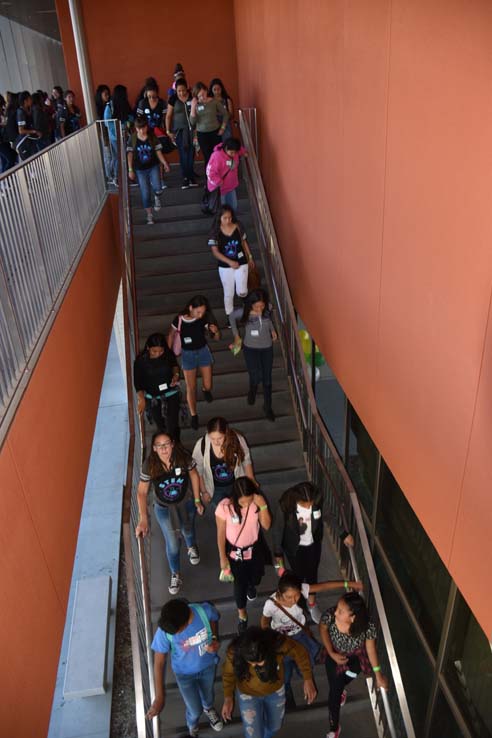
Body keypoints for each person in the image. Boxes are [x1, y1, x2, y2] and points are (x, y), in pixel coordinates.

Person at [261, 570, 362, 708]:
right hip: (281, 640)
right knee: (285, 670)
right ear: (279, 593)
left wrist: (349, 583)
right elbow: (264, 621)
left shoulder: (301, 590)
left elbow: (324, 586)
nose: (294, 601)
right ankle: (287, 689)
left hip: (300, 635)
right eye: (288, 597)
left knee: (304, 662)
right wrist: (268, 638)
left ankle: (303, 678)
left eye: (297, 596)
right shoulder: (271, 604)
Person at [271, 481, 354, 624]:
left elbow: (328, 516)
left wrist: (343, 534)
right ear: (297, 499)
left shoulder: (317, 501)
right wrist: (278, 555)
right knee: (297, 575)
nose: (308, 506)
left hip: (313, 545)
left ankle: (311, 603)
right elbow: (278, 530)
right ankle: (297, 599)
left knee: (312, 574)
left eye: (310, 503)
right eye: (305, 504)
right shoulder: (286, 505)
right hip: (294, 548)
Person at [136, 432, 203, 595]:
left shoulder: (182, 457)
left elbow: (194, 475)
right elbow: (142, 492)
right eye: (160, 445)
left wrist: (196, 500)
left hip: (185, 502)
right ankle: (175, 573)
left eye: (167, 443)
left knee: (188, 529)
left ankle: (191, 546)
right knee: (172, 543)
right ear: (154, 448)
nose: (164, 448)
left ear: (173, 444)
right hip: (164, 508)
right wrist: (143, 518)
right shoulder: (149, 465)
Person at [221, 626, 317, 738]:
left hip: (275, 692)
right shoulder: (234, 652)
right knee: (253, 735)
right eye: (251, 663)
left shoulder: (278, 643)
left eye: (259, 663)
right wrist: (228, 697)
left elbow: (300, 652)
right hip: (247, 695)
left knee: (275, 726)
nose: (254, 666)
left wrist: (308, 678)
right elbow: (228, 673)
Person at [148, 598, 224, 734]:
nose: (174, 634)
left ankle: (208, 708)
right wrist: (159, 697)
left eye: (177, 631)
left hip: (207, 667)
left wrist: (214, 639)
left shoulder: (204, 611)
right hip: (184, 676)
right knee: (194, 709)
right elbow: (159, 663)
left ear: (186, 622)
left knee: (208, 696)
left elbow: (213, 619)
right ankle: (192, 723)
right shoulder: (165, 630)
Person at [320, 592, 389, 738]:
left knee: (347, 678)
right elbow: (323, 629)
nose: (335, 612)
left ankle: (341, 691)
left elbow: (370, 649)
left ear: (353, 618)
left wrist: (378, 675)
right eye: (337, 608)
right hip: (333, 655)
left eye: (340, 611)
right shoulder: (330, 616)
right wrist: (331, 653)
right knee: (334, 691)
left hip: (355, 659)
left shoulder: (367, 627)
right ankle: (334, 728)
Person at [215, 477, 271, 632]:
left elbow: (266, 525)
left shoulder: (257, 503)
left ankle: (251, 586)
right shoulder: (224, 507)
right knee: (239, 585)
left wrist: (263, 506)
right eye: (243, 502)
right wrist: (222, 557)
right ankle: (242, 615)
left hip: (254, 551)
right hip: (235, 555)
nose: (246, 504)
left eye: (249, 499)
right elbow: (220, 534)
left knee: (256, 578)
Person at [168, 295, 220, 430]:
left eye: (203, 312)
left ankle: (205, 390)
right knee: (190, 388)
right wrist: (168, 355)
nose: (201, 315)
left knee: (208, 384)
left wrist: (215, 331)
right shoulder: (179, 319)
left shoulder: (203, 319)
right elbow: (171, 334)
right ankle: (194, 415)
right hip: (187, 355)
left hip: (203, 352)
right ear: (191, 308)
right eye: (198, 312)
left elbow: (217, 338)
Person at [229, 289, 277, 422]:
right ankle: (253, 389)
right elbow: (231, 317)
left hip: (267, 348)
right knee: (255, 375)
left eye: (262, 306)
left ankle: (267, 407)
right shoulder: (244, 312)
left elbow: (268, 319)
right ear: (251, 304)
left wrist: (272, 331)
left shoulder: (267, 308)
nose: (260, 309)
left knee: (267, 379)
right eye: (257, 306)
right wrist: (236, 335)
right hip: (250, 349)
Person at [192, 417, 256, 511]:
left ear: (226, 432)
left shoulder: (237, 439)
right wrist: (204, 491)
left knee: (239, 510)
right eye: (212, 438)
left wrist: (251, 482)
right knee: (222, 515)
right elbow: (199, 471)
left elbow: (246, 461)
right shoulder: (202, 444)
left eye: (220, 438)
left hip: (236, 485)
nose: (216, 442)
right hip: (215, 489)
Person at [208, 205, 254, 325]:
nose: (228, 220)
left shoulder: (238, 226)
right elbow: (215, 252)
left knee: (242, 291)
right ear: (220, 218)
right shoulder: (215, 231)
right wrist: (229, 262)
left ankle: (246, 308)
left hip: (241, 262)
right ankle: (230, 317)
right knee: (228, 293)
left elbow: (244, 242)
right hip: (225, 266)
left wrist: (249, 256)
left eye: (230, 217)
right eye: (225, 218)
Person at [133, 332, 181, 440]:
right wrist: (141, 399)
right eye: (154, 351)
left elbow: (175, 366)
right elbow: (138, 383)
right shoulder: (140, 361)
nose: (158, 354)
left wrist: (176, 375)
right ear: (148, 348)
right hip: (153, 397)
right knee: (160, 426)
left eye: (161, 351)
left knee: (172, 425)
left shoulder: (167, 354)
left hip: (170, 393)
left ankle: (175, 444)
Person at [126, 116, 171, 225]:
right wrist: (130, 169)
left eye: (143, 128)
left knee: (158, 188)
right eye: (139, 128)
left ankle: (157, 196)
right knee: (145, 193)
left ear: (147, 127)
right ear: (136, 128)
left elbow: (158, 152)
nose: (142, 130)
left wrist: (165, 163)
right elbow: (130, 154)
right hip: (140, 170)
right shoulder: (133, 138)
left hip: (153, 166)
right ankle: (149, 215)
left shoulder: (152, 137)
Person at [165, 78, 198, 189]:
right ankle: (186, 178)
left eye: (183, 90)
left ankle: (191, 177)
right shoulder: (173, 99)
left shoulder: (192, 97)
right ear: (176, 90)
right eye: (179, 91)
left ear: (187, 88)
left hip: (192, 131)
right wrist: (168, 131)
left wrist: (197, 130)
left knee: (191, 154)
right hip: (179, 131)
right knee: (183, 154)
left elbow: (198, 113)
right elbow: (168, 116)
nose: (182, 93)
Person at [190, 82, 228, 168]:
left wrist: (223, 128)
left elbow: (225, 114)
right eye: (199, 96)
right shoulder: (195, 104)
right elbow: (192, 122)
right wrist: (193, 108)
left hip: (215, 132)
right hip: (202, 134)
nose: (202, 97)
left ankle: (219, 176)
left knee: (218, 155)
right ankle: (209, 179)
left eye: (203, 94)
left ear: (207, 91)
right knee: (208, 157)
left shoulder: (214, 102)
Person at [206, 137, 247, 212]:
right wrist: (218, 182)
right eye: (231, 153)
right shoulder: (216, 156)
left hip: (231, 187)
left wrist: (244, 152)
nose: (233, 155)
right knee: (222, 211)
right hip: (219, 189)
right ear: (226, 148)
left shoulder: (235, 151)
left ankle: (231, 222)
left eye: (235, 152)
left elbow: (240, 149)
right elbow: (210, 172)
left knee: (233, 207)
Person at [104, 84, 134, 180]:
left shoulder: (125, 104)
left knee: (125, 155)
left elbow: (130, 116)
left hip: (125, 134)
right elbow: (107, 122)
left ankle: (125, 176)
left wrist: (128, 123)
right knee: (119, 156)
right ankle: (117, 177)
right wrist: (120, 128)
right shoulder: (110, 106)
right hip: (115, 136)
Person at [15, 91, 41, 160]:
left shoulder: (28, 109)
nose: (31, 100)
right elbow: (21, 130)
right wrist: (34, 131)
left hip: (29, 141)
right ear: (25, 101)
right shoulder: (20, 112)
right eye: (30, 98)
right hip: (23, 143)